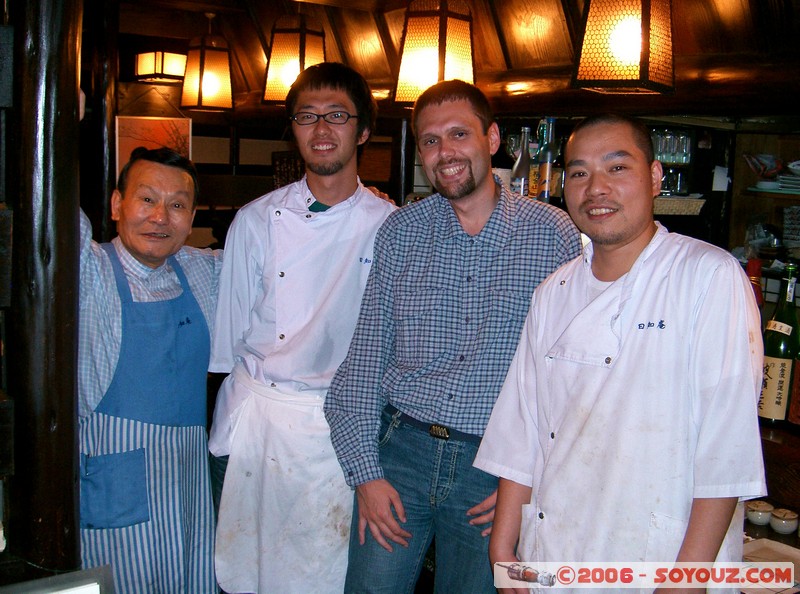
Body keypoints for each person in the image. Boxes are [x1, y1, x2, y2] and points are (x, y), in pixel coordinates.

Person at [475, 114, 766, 594]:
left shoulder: (706, 276)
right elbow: (522, 429)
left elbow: (725, 447)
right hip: (553, 553)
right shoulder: (554, 290)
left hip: (658, 559)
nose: (596, 189)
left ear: (654, 177)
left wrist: (686, 581)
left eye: (617, 168)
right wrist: (503, 550)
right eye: (579, 172)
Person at [324, 79, 582, 593]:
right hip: (400, 455)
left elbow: (572, 374)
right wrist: (365, 474)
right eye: (430, 140)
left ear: (491, 139)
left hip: (494, 468)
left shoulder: (553, 233)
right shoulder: (401, 231)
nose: (445, 153)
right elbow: (365, 359)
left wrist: (532, 475)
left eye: (459, 134)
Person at [208, 62, 397, 594]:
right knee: (244, 570)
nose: (321, 130)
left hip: (337, 432)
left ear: (362, 131)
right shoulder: (255, 219)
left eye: (337, 116)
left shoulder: (390, 225)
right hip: (256, 426)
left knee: (327, 575)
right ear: (292, 129)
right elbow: (231, 338)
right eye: (307, 117)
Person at [78, 147, 221, 594]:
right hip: (114, 481)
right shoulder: (88, 268)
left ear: (192, 215)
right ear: (117, 204)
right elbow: (51, 206)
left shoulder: (206, 271)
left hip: (188, 478)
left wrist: (349, 203)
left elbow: (280, 257)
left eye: (177, 204)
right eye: (146, 199)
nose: (161, 216)